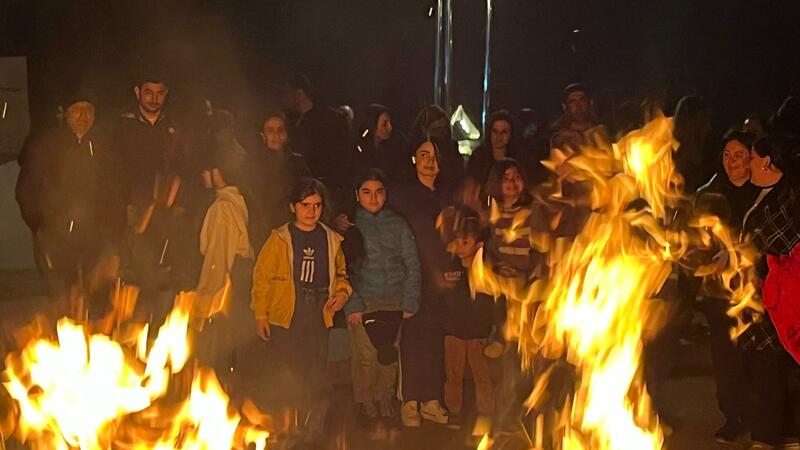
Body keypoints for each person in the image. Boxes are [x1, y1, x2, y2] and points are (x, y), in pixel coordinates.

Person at [251, 177, 352, 446]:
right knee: (287, 369)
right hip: (287, 313)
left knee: (316, 370)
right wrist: (261, 314)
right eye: (305, 205)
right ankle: (284, 427)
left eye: (317, 205)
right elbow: (262, 278)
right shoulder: (280, 239)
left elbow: (341, 274)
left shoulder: (331, 239)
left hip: (318, 312)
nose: (312, 211)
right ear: (293, 206)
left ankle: (311, 429)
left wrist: (341, 294)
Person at [16, 90, 122, 318]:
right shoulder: (45, 145)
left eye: (88, 110)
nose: (83, 116)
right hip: (55, 235)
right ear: (65, 114)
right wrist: (40, 224)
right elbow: (27, 189)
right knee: (62, 297)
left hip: (95, 234)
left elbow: (116, 189)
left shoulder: (104, 145)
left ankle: (96, 344)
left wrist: (112, 227)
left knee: (97, 297)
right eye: (77, 110)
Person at [693, 130, 760, 443]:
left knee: (758, 357)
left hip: (757, 289)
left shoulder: (763, 192)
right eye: (727, 155)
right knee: (725, 356)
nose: (733, 162)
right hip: (719, 292)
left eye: (739, 155)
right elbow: (693, 242)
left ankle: (761, 415)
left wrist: (739, 253)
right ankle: (731, 416)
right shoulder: (709, 195)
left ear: (751, 158)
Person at [342, 168, 421, 424]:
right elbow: (343, 270)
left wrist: (410, 301)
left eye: (378, 192)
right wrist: (352, 304)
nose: (373, 198)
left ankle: (385, 399)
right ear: (357, 195)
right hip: (364, 301)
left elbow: (412, 263)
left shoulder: (398, 224)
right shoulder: (350, 226)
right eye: (366, 192)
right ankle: (364, 402)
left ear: (386, 194)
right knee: (365, 357)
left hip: (394, 300)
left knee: (388, 355)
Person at [739, 135, 800, 449]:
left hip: (780, 295)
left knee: (771, 361)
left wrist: (769, 267)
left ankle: (769, 436)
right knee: (771, 361)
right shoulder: (761, 194)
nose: (746, 163)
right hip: (761, 292)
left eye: (750, 157)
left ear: (765, 161)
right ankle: (785, 431)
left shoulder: (789, 195)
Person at [388, 140, 452, 427]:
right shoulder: (401, 195)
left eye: (434, 156)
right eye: (423, 155)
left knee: (434, 338)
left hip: (440, 280)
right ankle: (409, 401)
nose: (429, 161)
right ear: (414, 158)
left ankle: (431, 399)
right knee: (412, 337)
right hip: (411, 277)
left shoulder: (446, 196)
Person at [192, 152, 254, 399]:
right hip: (239, 292)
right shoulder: (238, 200)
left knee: (215, 364)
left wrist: (204, 301)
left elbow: (217, 260)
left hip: (224, 296)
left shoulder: (222, 209)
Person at [442, 209, 494, 428]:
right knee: (453, 374)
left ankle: (486, 412)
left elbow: (492, 304)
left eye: (466, 242)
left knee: (482, 375)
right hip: (453, 331)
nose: (461, 247)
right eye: (458, 242)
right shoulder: (450, 269)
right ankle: (454, 410)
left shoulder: (485, 271)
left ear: (478, 244)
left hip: (478, 334)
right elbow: (442, 298)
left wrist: (490, 331)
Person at [283, 74, 353, 203]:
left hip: (326, 187)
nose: (285, 99)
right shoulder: (291, 121)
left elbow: (342, 154)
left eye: (287, 94)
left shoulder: (330, 120)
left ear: (299, 94)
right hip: (306, 187)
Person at [247, 112, 310, 250]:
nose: (276, 135)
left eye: (280, 130)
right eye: (270, 131)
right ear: (262, 135)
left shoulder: (297, 163)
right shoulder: (253, 163)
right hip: (263, 230)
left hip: (294, 228)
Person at [352, 104, 413, 187]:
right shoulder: (358, 149)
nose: (390, 127)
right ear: (372, 124)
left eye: (390, 122)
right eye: (385, 123)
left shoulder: (398, 147)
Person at [409, 104, 466, 191]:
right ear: (424, 129)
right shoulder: (413, 149)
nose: (441, 135)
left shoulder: (452, 151)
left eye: (444, 130)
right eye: (437, 130)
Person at [467, 110, 515, 188]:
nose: (499, 137)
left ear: (511, 134)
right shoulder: (478, 158)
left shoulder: (517, 160)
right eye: (495, 132)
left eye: (504, 132)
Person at [549, 83, 601, 151]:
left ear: (590, 102)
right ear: (564, 106)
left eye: (582, 100)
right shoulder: (557, 135)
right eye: (572, 101)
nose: (578, 106)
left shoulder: (603, 130)